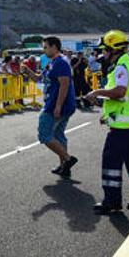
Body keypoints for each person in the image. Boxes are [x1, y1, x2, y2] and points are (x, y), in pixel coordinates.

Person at [85, 30, 129, 214]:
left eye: (105, 50)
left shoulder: (121, 67)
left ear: (113, 49)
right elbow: (123, 99)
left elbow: (119, 92)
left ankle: (112, 201)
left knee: (111, 161)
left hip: (124, 126)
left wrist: (96, 92)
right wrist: (107, 115)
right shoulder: (127, 65)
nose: (103, 54)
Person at [23, 36, 79, 178]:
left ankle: (67, 158)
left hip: (56, 105)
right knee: (58, 135)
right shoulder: (52, 63)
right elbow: (38, 78)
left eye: (46, 47)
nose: (44, 50)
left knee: (44, 134)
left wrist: (58, 106)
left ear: (54, 47)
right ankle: (64, 166)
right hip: (55, 103)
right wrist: (28, 71)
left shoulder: (61, 62)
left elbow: (64, 84)